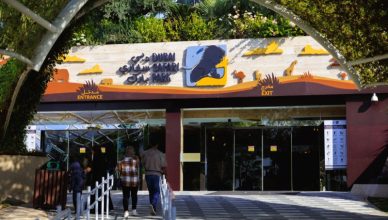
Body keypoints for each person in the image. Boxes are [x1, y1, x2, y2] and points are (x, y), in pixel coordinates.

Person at [141, 134, 167, 216]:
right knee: (157, 191)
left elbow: (143, 163)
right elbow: (163, 165)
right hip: (157, 174)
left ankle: (153, 207)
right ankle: (153, 204)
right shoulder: (160, 154)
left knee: (151, 191)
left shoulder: (145, 153)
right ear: (157, 144)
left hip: (148, 174)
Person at [118, 146, 140, 217]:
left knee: (125, 196)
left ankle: (126, 211)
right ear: (132, 152)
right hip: (134, 181)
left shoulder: (121, 160)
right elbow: (138, 166)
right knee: (134, 196)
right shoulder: (136, 159)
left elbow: (118, 170)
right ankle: (134, 210)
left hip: (125, 181)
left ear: (126, 152)